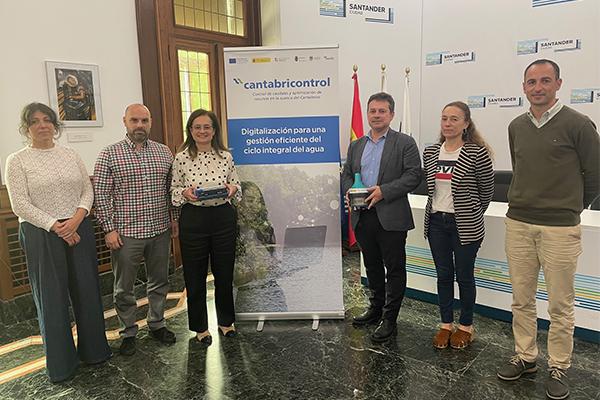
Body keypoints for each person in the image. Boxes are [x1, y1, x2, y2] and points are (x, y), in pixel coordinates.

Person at [497, 59, 600, 400]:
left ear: (558, 84)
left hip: (560, 229)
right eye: (531, 82)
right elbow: (520, 168)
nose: (537, 87)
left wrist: (570, 206)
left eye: (545, 80)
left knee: (560, 304)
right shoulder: (516, 126)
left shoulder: (578, 124)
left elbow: (595, 175)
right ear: (524, 87)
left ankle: (559, 366)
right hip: (519, 223)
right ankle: (526, 356)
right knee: (522, 298)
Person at [5, 102, 111, 382]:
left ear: (55, 124)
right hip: (41, 232)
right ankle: (62, 365)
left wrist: (76, 219)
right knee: (51, 298)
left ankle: (95, 352)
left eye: (47, 120)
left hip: (79, 226)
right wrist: (57, 226)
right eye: (35, 121)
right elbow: (19, 204)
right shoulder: (17, 160)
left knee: (87, 291)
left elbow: (87, 190)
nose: (42, 125)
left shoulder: (71, 154)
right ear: (26, 127)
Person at [93, 103, 178, 356]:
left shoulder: (164, 152)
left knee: (159, 281)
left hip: (160, 229)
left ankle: (157, 323)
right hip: (126, 234)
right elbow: (101, 194)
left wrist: (174, 219)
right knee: (124, 287)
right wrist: (109, 229)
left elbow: (171, 189)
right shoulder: (109, 154)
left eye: (144, 120)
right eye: (134, 120)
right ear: (125, 122)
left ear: (150, 122)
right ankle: (128, 331)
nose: (140, 125)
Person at [342, 92, 422, 342]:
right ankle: (375, 309)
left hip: (391, 216)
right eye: (372, 111)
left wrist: (384, 191)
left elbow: (413, 176)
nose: (376, 115)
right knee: (372, 266)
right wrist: (349, 191)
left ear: (391, 114)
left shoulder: (405, 142)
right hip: (362, 216)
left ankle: (390, 319)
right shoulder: (356, 145)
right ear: (367, 114)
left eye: (382, 111)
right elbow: (347, 174)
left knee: (394, 269)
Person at [423, 101, 494, 350]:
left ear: (466, 123)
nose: (448, 123)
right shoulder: (431, 152)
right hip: (436, 222)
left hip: (465, 225)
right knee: (443, 275)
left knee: (464, 276)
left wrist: (469, 213)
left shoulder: (477, 153)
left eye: (454, 119)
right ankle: (445, 324)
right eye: (444, 118)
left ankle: (465, 326)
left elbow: (486, 192)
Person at [171, 109, 241, 345]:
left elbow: (236, 184)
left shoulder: (226, 157)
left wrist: (232, 189)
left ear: (214, 130)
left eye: (207, 127)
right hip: (194, 219)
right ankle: (200, 327)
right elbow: (173, 190)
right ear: (190, 131)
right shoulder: (181, 158)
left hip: (223, 218)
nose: (202, 131)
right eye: (197, 127)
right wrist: (184, 193)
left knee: (224, 273)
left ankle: (226, 322)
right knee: (195, 275)